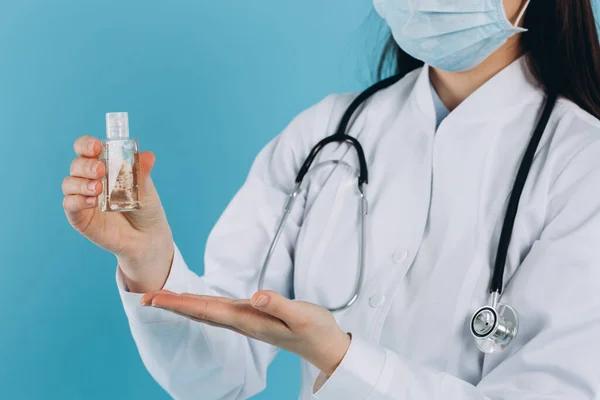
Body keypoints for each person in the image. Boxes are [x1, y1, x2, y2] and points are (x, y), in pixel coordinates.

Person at [62, 0, 600, 398]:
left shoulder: (582, 163)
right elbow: (215, 375)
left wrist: (342, 358)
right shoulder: (325, 134)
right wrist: (148, 261)